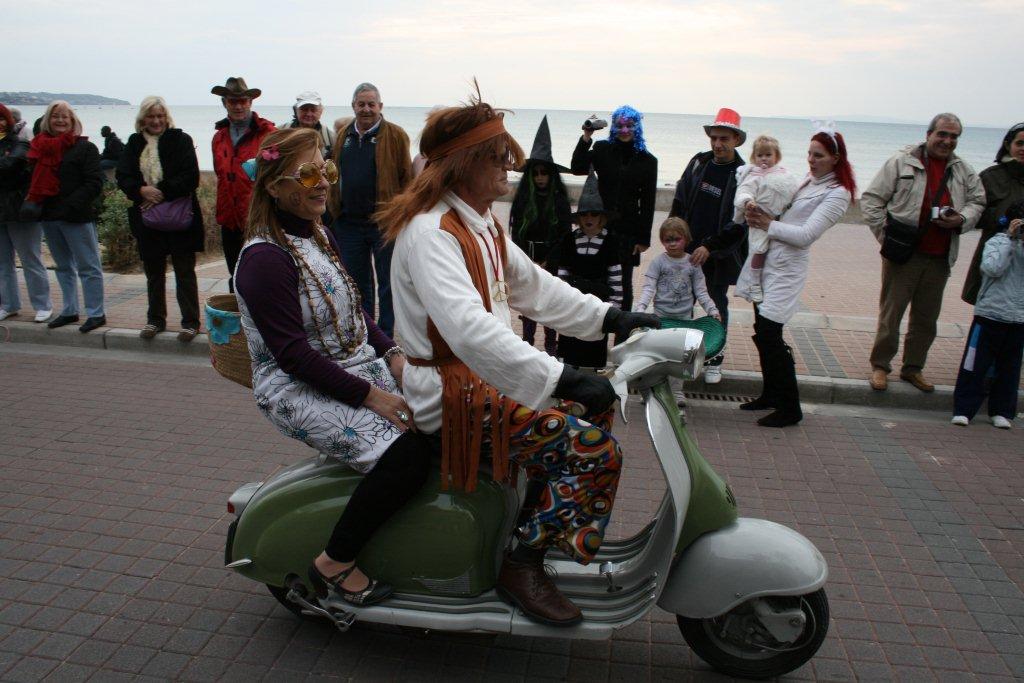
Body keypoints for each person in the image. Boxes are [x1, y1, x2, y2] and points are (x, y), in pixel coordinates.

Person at [377, 90, 658, 626]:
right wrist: (562, 377)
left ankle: (530, 528)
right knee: (595, 451)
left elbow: (535, 287)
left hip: (481, 380)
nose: (510, 165)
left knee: (594, 411)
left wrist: (610, 318)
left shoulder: (480, 223)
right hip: (452, 393)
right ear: (464, 165)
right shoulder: (432, 233)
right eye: (497, 156)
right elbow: (470, 331)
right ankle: (522, 563)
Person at [234, 128, 430, 607]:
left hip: (352, 368)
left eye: (326, 168)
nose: (322, 181)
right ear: (274, 186)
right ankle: (334, 562)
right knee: (408, 456)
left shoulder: (319, 233)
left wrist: (394, 357)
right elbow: (293, 356)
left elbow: (356, 312)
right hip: (294, 387)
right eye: (307, 173)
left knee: (439, 417)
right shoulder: (264, 259)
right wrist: (376, 397)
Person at [735, 125, 855, 427]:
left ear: (835, 158)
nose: (811, 160)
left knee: (769, 333)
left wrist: (767, 224)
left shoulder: (838, 193)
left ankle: (790, 407)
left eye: (819, 156)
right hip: (767, 263)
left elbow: (805, 235)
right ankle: (771, 394)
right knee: (762, 329)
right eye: (810, 154)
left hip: (787, 270)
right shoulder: (806, 181)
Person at [863, 113, 986, 393]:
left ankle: (913, 368)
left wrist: (962, 219)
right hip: (903, 255)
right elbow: (872, 200)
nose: (947, 141)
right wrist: (886, 236)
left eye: (953, 136)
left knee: (926, 319)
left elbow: (978, 201)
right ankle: (880, 366)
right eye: (942, 134)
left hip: (940, 256)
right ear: (929, 134)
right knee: (891, 315)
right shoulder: (901, 162)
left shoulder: (963, 170)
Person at [669, 108, 747, 384]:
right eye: (714, 138)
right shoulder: (698, 163)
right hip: (688, 252)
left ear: (736, 139)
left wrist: (710, 247)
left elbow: (740, 222)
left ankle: (715, 360)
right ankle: (686, 359)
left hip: (719, 256)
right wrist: (674, 237)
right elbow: (680, 199)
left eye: (724, 138)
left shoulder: (743, 174)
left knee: (716, 307)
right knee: (682, 306)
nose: (717, 144)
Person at [116, 97, 204, 342]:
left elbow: (191, 177)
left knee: (184, 272)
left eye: (160, 116)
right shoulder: (134, 143)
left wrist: (158, 192)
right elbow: (123, 175)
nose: (156, 121)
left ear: (166, 117)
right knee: (154, 273)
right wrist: (140, 190)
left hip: (180, 216)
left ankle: (190, 322)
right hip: (148, 220)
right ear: (143, 118)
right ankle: (155, 319)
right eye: (151, 116)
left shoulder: (181, 140)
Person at [328, 83, 412, 337]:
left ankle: (385, 335)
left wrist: (403, 216)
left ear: (380, 106)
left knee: (388, 283)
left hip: (384, 223)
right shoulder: (343, 136)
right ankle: (366, 334)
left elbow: (406, 179)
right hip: (349, 224)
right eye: (361, 104)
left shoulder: (396, 135)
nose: (366, 109)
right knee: (356, 283)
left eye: (371, 104)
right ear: (353, 106)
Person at [26, 101, 105, 332]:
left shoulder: (85, 148)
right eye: (55, 116)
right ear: (47, 120)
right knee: (63, 267)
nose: (60, 121)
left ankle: (96, 313)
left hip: (76, 216)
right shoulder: (40, 147)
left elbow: (94, 182)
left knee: (88, 267)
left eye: (65, 117)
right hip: (49, 216)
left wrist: (70, 205)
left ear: (73, 121)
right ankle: (70, 310)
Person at [570, 105, 657, 312]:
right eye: (620, 125)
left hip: (628, 231)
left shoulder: (648, 160)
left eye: (630, 125)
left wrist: (643, 238)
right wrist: (586, 137)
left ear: (637, 127)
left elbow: (648, 202)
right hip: (601, 225)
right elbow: (577, 167)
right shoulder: (602, 149)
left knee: (624, 284)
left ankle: (623, 328)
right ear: (613, 127)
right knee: (598, 278)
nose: (624, 130)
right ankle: (597, 324)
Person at [951, 201, 1024, 430]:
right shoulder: (996, 242)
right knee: (974, 365)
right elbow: (992, 268)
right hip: (990, 314)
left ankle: (1001, 411)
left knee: (1009, 369)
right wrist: (1010, 240)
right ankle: (963, 409)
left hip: (1018, 318)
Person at [509, 116, 571, 355]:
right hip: (528, 257)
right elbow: (516, 233)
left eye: (544, 173)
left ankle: (551, 347)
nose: (540, 177)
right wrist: (527, 261)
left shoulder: (560, 201)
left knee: (550, 303)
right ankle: (526, 344)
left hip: (552, 259)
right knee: (529, 304)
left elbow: (564, 234)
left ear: (551, 174)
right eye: (535, 173)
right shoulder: (523, 200)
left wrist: (549, 261)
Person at [552, 171, 623, 368]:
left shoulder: (610, 241)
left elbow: (616, 276)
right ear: (578, 218)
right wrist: (561, 299)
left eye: (594, 214)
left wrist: (615, 307)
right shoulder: (570, 239)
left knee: (594, 347)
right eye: (584, 214)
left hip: (598, 303)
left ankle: (592, 378)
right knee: (570, 347)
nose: (589, 218)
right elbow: (562, 272)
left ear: (602, 217)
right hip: (574, 300)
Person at [210, 77, 276, 292]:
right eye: (232, 101)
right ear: (224, 103)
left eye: (243, 101)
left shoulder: (268, 134)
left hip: (259, 219)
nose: (238, 106)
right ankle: (237, 313)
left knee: (261, 277)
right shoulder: (219, 138)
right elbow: (220, 175)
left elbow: (276, 176)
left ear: (250, 102)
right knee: (236, 276)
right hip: (229, 220)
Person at [732, 135, 801, 303]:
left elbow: (794, 189)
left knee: (779, 253)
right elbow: (744, 191)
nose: (764, 158)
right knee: (759, 250)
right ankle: (754, 282)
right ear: (754, 157)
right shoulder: (753, 175)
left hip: (782, 220)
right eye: (760, 155)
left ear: (776, 156)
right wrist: (748, 202)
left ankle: (773, 283)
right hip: (759, 220)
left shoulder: (784, 173)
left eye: (768, 155)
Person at [961, 122, 1024, 305]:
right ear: (1008, 145)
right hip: (994, 253)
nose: (1023, 149)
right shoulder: (991, 176)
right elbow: (974, 215)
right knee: (987, 309)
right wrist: (1003, 219)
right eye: (1019, 143)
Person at [0, 103, 51, 322]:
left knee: (30, 259)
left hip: (20, 211)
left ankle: (42, 305)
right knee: (3, 263)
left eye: (2, 118)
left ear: (9, 121)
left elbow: (9, 165)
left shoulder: (20, 143)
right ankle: (8, 304)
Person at [634, 217, 720, 322]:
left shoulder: (693, 263)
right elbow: (648, 288)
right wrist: (640, 308)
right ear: (662, 241)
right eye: (668, 240)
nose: (672, 244)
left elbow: (701, 291)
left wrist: (712, 310)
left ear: (686, 238)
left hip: (685, 317)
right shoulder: (658, 262)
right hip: (660, 316)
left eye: (677, 239)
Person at [282, 90, 335, 159]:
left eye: (313, 110)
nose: (309, 114)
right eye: (304, 109)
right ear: (295, 110)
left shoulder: (330, 137)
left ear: (321, 112)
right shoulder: (281, 132)